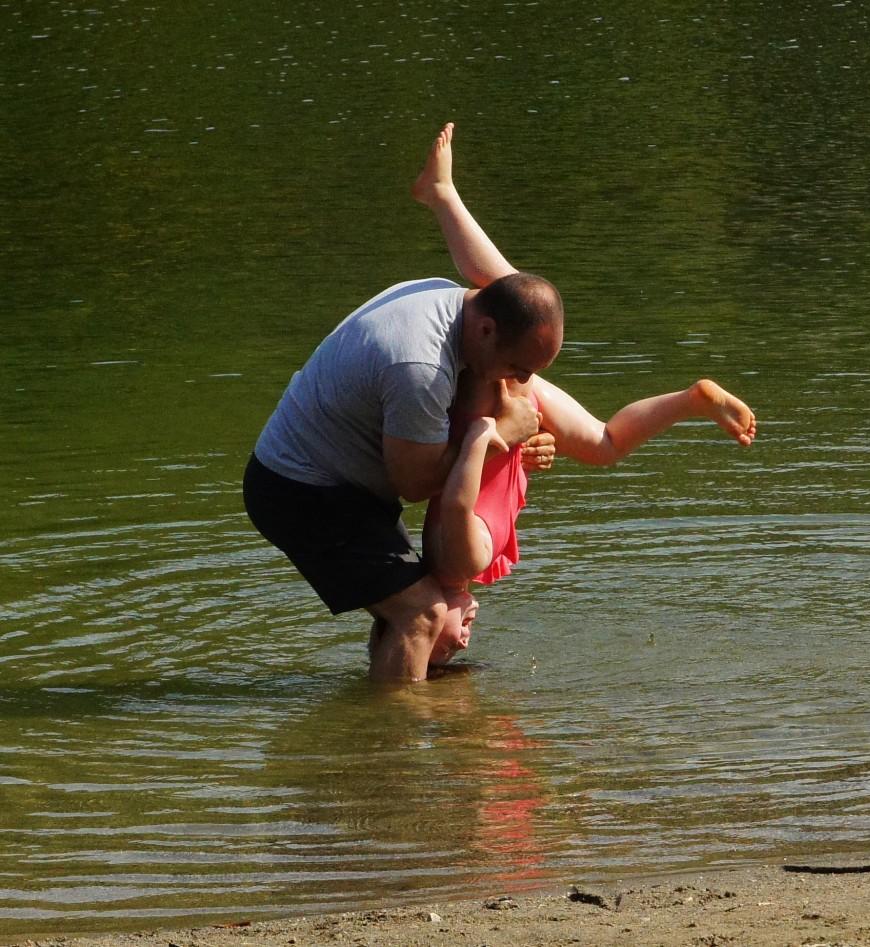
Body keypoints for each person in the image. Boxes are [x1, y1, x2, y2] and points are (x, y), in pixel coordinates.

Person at [412, 123, 758, 667]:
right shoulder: (463, 566)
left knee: (510, 301)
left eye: (443, 648)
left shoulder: (452, 565)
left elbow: (459, 494)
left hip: (489, 420)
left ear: (425, 617)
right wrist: (517, 450)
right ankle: (691, 399)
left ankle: (442, 195)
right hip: (503, 429)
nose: (463, 638)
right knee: (604, 441)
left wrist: (494, 434)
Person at [243, 188, 565, 683]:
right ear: (485, 331)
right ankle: (394, 748)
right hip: (301, 490)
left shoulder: (453, 300)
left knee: (428, 616)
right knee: (422, 614)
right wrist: (500, 432)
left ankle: (380, 717)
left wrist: (518, 442)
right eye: (515, 367)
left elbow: (505, 281)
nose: (518, 382)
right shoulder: (419, 365)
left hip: (338, 485)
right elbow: (415, 482)